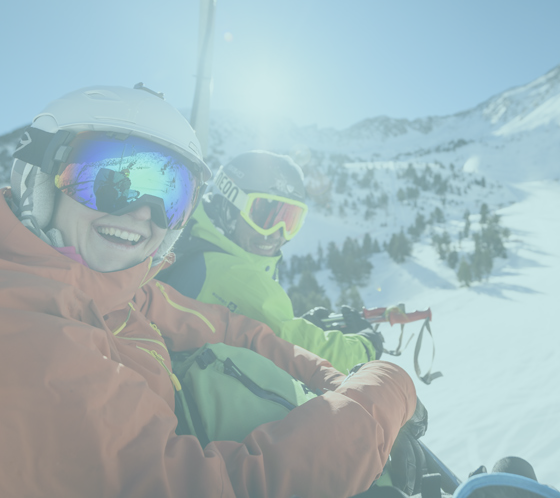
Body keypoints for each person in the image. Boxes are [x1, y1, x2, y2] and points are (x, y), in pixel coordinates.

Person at [0, 83, 418, 498]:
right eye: (110, 180)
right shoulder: (33, 344)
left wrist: (330, 378)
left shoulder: (118, 290)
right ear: (39, 178)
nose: (144, 212)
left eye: (172, 194)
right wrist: (381, 395)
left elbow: (232, 328)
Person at [159, 150, 385, 373]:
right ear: (230, 204)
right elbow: (305, 353)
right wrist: (365, 347)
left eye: (289, 220)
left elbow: (272, 329)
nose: (277, 233)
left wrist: (290, 322)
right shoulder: (233, 275)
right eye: (264, 216)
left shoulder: (189, 234)